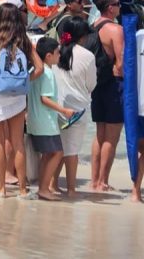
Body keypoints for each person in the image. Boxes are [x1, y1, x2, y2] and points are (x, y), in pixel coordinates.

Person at [0, 2, 44, 199]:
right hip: (16, 95)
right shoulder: (23, 41)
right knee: (17, 142)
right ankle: (23, 189)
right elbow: (40, 68)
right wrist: (24, 81)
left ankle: (1, 188)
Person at [52, 17, 96, 198]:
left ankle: (51, 184)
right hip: (77, 109)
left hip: (56, 107)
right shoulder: (87, 56)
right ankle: (71, 189)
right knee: (71, 152)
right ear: (82, 36)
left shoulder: (55, 51)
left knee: (56, 150)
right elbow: (91, 85)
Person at [89, 0, 125, 192]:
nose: (120, 7)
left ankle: (94, 180)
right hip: (113, 85)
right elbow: (120, 64)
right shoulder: (115, 30)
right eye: (118, 4)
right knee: (112, 137)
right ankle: (102, 181)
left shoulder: (93, 26)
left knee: (99, 134)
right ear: (110, 8)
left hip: (97, 85)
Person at [27, 37, 66, 201]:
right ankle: (43, 188)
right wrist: (64, 111)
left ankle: (42, 187)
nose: (60, 56)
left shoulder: (35, 71)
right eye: (57, 53)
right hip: (46, 122)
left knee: (47, 155)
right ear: (48, 56)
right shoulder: (48, 73)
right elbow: (45, 99)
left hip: (35, 121)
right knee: (57, 153)